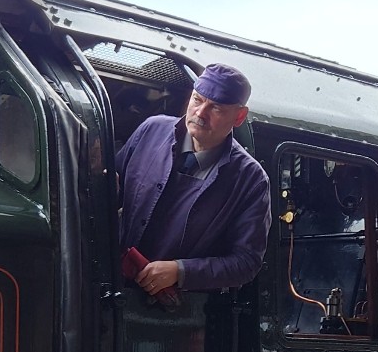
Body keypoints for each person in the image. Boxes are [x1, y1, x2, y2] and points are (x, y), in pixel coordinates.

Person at [116, 63, 271, 296]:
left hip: (174, 308)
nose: (200, 113)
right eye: (197, 100)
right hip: (111, 286)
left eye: (216, 108)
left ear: (239, 116)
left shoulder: (251, 180)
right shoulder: (150, 131)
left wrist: (180, 271)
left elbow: (247, 262)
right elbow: (109, 190)